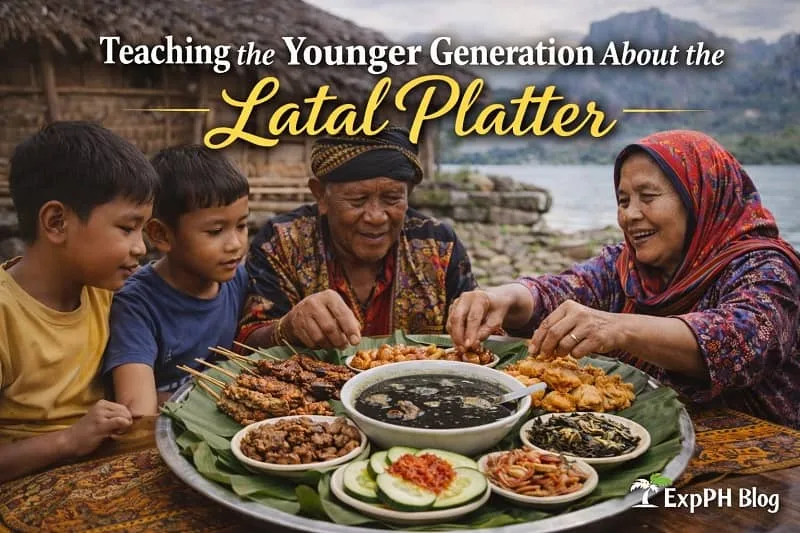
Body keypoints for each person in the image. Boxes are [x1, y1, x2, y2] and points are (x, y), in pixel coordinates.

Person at [448, 130, 800, 428]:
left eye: (648, 197)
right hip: (648, 448)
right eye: (623, 200)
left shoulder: (767, 268)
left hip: (768, 466)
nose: (630, 214)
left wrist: (618, 328)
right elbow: (561, 290)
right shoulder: (625, 266)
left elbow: (743, 340)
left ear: (700, 198)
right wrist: (502, 298)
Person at [0, 121, 158, 482]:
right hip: (25, 483)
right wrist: (68, 441)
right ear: (57, 222)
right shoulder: (6, 315)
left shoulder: (103, 290)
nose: (141, 247)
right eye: (127, 228)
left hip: (97, 462)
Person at [238, 126, 477, 350]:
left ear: (409, 194)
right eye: (357, 200)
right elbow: (245, 342)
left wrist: (490, 310)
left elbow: (476, 331)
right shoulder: (281, 243)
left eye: (392, 198)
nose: (376, 217)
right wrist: (288, 327)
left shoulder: (439, 245)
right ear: (321, 195)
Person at [103, 146, 250, 416]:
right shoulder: (136, 305)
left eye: (241, 225)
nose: (236, 244)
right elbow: (138, 413)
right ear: (161, 235)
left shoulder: (237, 279)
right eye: (216, 231)